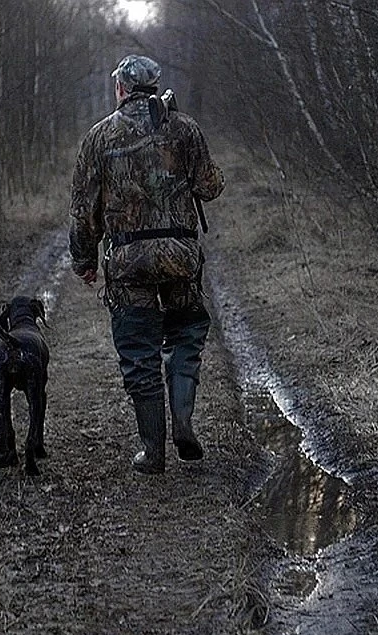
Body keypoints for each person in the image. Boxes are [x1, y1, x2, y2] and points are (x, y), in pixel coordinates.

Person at [69, 54, 225, 474]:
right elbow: (210, 187)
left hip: (128, 261)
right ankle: (184, 424)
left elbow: (84, 210)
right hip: (180, 257)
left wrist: (84, 260)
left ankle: (153, 452)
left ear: (120, 88)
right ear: (155, 86)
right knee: (186, 337)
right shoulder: (185, 128)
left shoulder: (98, 138)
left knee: (139, 355)